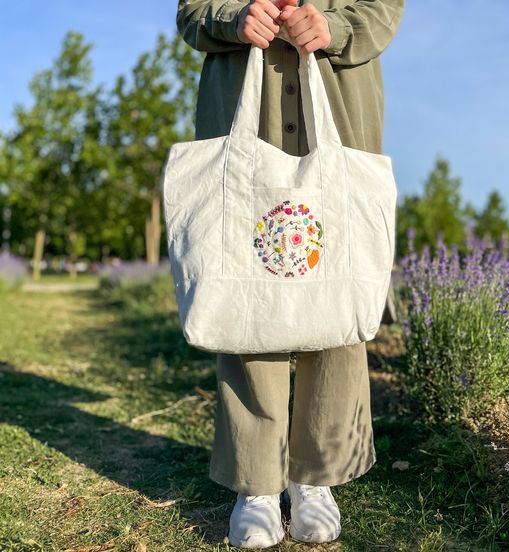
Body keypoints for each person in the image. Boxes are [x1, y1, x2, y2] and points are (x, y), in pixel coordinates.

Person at [175, 0, 404, 547]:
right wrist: (232, 18)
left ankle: (316, 476)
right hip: (244, 107)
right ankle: (256, 482)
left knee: (336, 286)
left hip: (340, 101)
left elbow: (386, 7)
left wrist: (336, 26)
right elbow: (190, 10)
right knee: (246, 292)